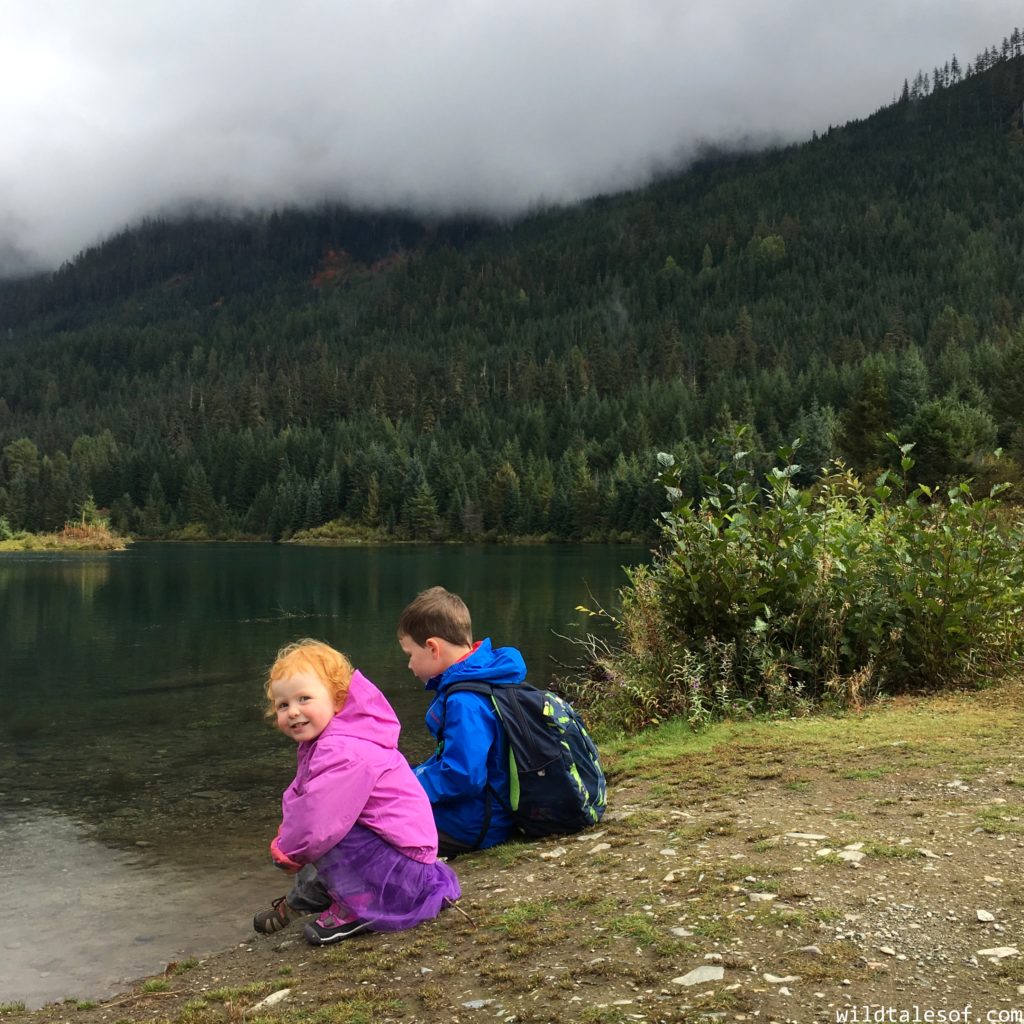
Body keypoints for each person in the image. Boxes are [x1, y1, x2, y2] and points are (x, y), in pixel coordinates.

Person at [252, 638, 460, 944]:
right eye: (284, 705)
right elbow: (302, 798)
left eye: (304, 699)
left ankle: (360, 909)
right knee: (316, 825)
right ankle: (330, 895)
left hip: (402, 869)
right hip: (406, 858)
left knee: (327, 830)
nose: (293, 712)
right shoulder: (334, 738)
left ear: (337, 699)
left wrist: (289, 853)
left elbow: (318, 820)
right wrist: (287, 836)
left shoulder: (343, 748)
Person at [398, 586, 527, 857]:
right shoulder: (488, 674)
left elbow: (463, 777)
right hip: (488, 808)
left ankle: (309, 899)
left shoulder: (464, 700)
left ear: (432, 648)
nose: (409, 665)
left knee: (375, 825)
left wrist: (403, 789)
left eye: (410, 655)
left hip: (478, 823)